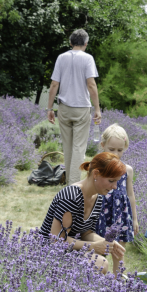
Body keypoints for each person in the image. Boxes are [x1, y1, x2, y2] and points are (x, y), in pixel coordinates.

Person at [38, 152, 127, 274]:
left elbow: (86, 233)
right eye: (111, 180)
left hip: (69, 250)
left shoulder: (98, 197)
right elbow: (56, 240)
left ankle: (119, 288)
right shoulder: (71, 197)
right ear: (96, 173)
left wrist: (108, 243)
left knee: (110, 256)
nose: (115, 187)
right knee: (100, 264)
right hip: (48, 253)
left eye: (117, 181)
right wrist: (93, 246)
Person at [46, 29, 102, 185]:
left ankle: (69, 184)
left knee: (68, 146)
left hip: (64, 108)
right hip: (82, 108)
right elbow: (91, 85)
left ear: (70, 43)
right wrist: (97, 108)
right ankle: (74, 185)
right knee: (79, 147)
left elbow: (54, 84)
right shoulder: (88, 59)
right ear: (86, 43)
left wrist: (49, 109)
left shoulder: (61, 58)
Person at [95, 124, 139, 274]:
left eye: (120, 150)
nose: (116, 153)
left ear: (125, 147)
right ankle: (96, 283)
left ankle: (117, 285)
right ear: (103, 146)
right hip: (102, 214)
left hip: (121, 215)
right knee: (100, 250)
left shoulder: (127, 170)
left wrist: (134, 219)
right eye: (111, 149)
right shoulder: (97, 168)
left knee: (118, 252)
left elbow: (130, 195)